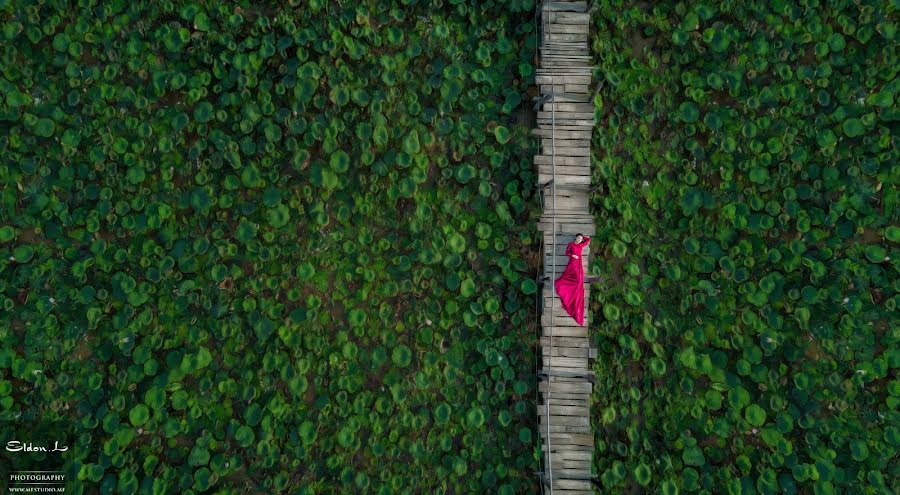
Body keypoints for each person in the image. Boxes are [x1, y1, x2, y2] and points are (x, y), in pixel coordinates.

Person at [554, 233, 590, 325]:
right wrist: (572, 256)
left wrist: (583, 238)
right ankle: (565, 291)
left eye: (580, 239)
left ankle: (573, 298)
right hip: (572, 264)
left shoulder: (581, 245)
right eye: (578, 238)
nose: (579, 240)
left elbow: (588, 240)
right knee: (564, 279)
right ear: (575, 237)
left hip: (578, 265)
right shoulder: (571, 244)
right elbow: (567, 252)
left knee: (578, 282)